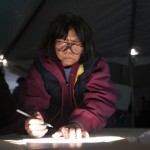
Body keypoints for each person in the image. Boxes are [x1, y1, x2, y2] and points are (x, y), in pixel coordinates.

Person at [15, 11, 116, 139]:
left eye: (76, 44)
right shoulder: (40, 67)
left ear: (85, 47)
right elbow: (31, 102)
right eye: (62, 42)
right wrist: (33, 119)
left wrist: (79, 123)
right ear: (52, 44)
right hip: (49, 137)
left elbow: (101, 101)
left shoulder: (96, 66)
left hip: (87, 135)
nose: (68, 50)